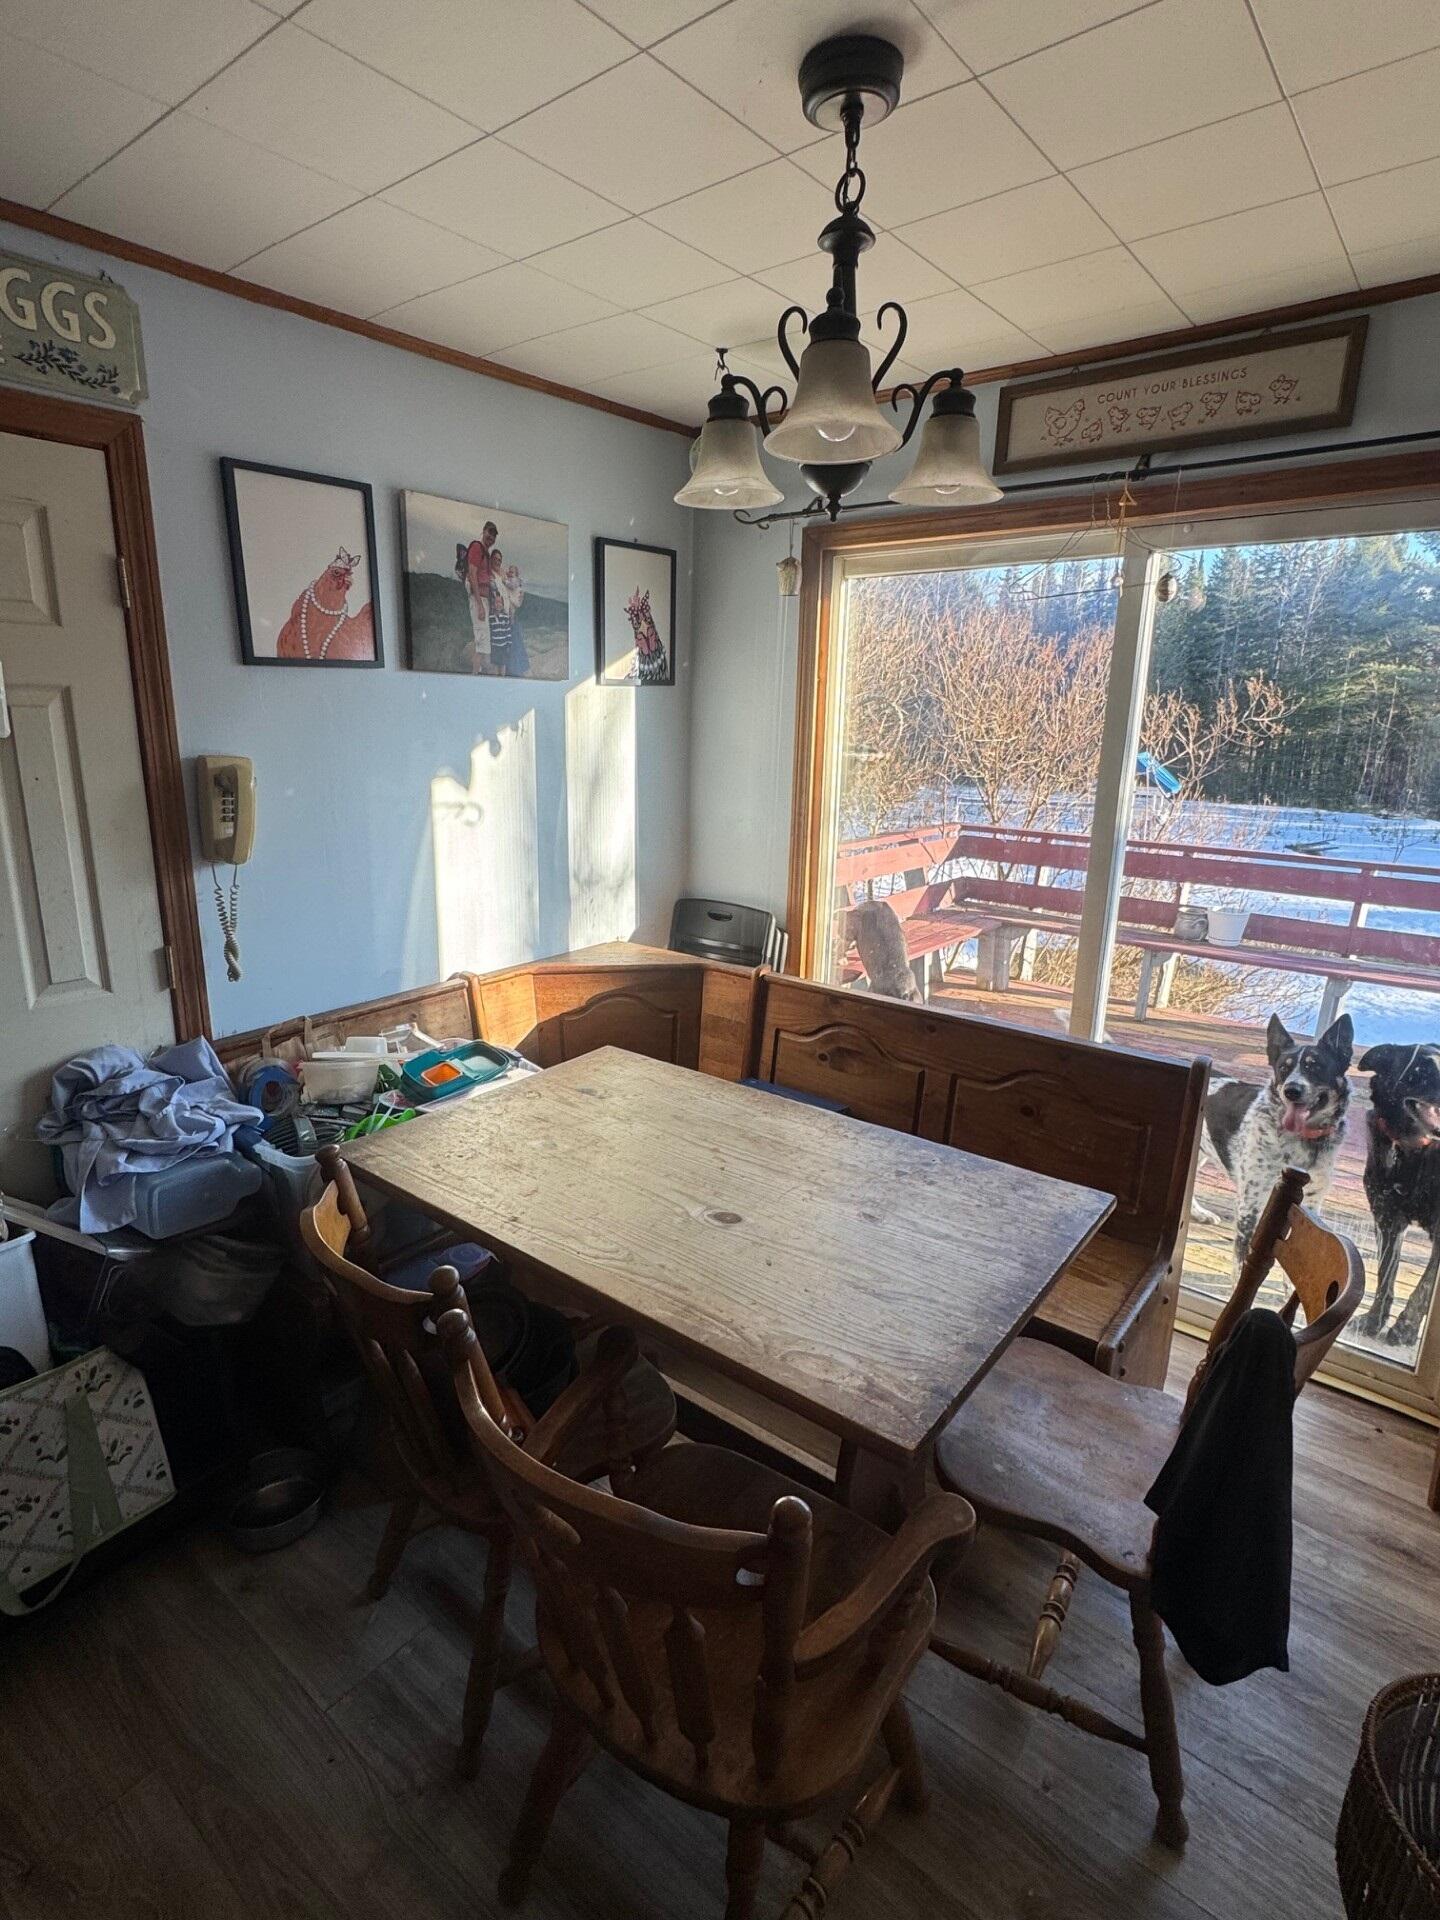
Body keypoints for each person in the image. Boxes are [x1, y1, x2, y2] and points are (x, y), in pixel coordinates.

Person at [464, 521, 498, 672]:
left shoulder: (486, 552)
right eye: (489, 532)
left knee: (483, 644)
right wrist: (479, 605)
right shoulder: (477, 548)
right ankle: (474, 676)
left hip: (485, 600)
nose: (491, 536)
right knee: (482, 645)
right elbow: (472, 574)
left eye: (494, 534)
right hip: (479, 600)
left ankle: (477, 675)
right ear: (483, 531)